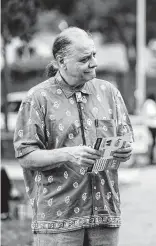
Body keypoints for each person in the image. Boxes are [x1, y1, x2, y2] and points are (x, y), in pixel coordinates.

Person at [13, 27, 133, 246]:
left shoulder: (110, 93)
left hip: (105, 215)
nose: (94, 63)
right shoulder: (37, 99)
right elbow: (25, 155)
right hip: (58, 219)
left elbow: (125, 142)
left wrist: (124, 151)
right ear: (61, 61)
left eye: (94, 55)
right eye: (85, 59)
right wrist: (67, 154)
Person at [142, 92, 156, 165]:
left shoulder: (147, 103)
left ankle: (152, 158)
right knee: (154, 143)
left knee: (153, 143)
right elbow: (152, 113)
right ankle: (152, 159)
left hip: (152, 125)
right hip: (153, 125)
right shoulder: (150, 103)